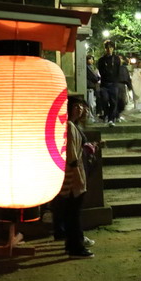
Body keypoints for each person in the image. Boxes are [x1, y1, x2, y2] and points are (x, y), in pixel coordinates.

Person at [54, 96, 95, 258]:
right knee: (73, 213)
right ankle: (75, 248)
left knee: (72, 212)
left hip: (74, 172)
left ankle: (73, 244)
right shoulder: (69, 126)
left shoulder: (71, 125)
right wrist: (76, 174)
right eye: (75, 106)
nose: (79, 109)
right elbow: (71, 154)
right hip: (73, 175)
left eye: (81, 106)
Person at [97, 40, 121, 127]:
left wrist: (117, 81)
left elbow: (118, 70)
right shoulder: (101, 60)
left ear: (113, 49)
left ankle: (111, 118)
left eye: (111, 48)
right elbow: (100, 70)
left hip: (114, 83)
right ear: (105, 49)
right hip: (104, 84)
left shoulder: (117, 59)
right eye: (107, 48)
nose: (109, 50)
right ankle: (106, 114)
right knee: (104, 100)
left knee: (114, 102)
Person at [86, 55, 101, 123]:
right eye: (90, 59)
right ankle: (90, 117)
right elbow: (94, 77)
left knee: (91, 103)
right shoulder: (87, 68)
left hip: (92, 87)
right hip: (90, 87)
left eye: (92, 59)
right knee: (91, 103)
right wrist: (97, 78)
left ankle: (91, 117)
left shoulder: (91, 67)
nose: (91, 61)